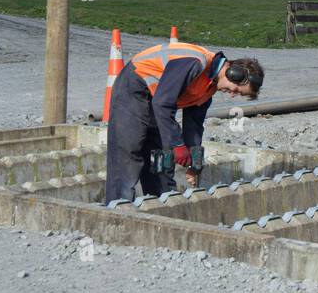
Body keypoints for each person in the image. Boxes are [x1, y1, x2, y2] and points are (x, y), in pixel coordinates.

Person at [104, 40, 262, 204]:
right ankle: (117, 209)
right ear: (233, 73)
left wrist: (195, 163)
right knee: (129, 152)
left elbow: (193, 126)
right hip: (134, 88)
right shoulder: (195, 62)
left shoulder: (208, 88)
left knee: (161, 156)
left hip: (157, 102)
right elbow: (163, 103)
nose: (232, 94)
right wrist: (177, 145)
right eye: (236, 90)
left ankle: (161, 206)